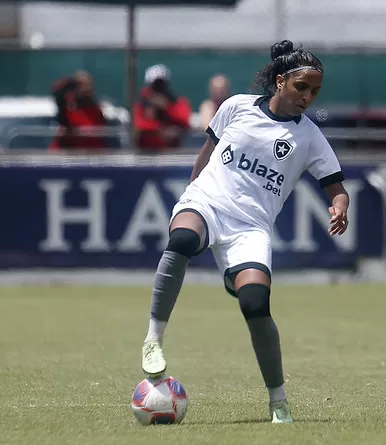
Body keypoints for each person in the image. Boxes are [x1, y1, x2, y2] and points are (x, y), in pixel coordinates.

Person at [139, 41, 350, 424]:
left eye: (315, 91)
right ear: (280, 81)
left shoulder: (310, 138)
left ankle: (278, 401)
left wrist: (339, 205)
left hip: (250, 227)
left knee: (255, 304)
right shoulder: (236, 105)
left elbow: (335, 185)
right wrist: (191, 192)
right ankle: (153, 339)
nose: (308, 97)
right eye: (302, 87)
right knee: (183, 240)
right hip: (207, 201)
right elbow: (207, 151)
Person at [133, 64, 192, 151]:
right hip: (145, 153)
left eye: (162, 84)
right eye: (155, 85)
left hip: (171, 153)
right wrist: (161, 130)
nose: (158, 89)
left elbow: (185, 122)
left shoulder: (176, 102)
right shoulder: (141, 103)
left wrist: (167, 108)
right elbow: (138, 125)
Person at [50, 70, 108, 151]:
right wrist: (70, 82)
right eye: (80, 85)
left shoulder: (96, 110)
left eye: (87, 85)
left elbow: (100, 133)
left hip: (93, 154)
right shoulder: (66, 108)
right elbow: (56, 91)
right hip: (70, 154)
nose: (84, 88)